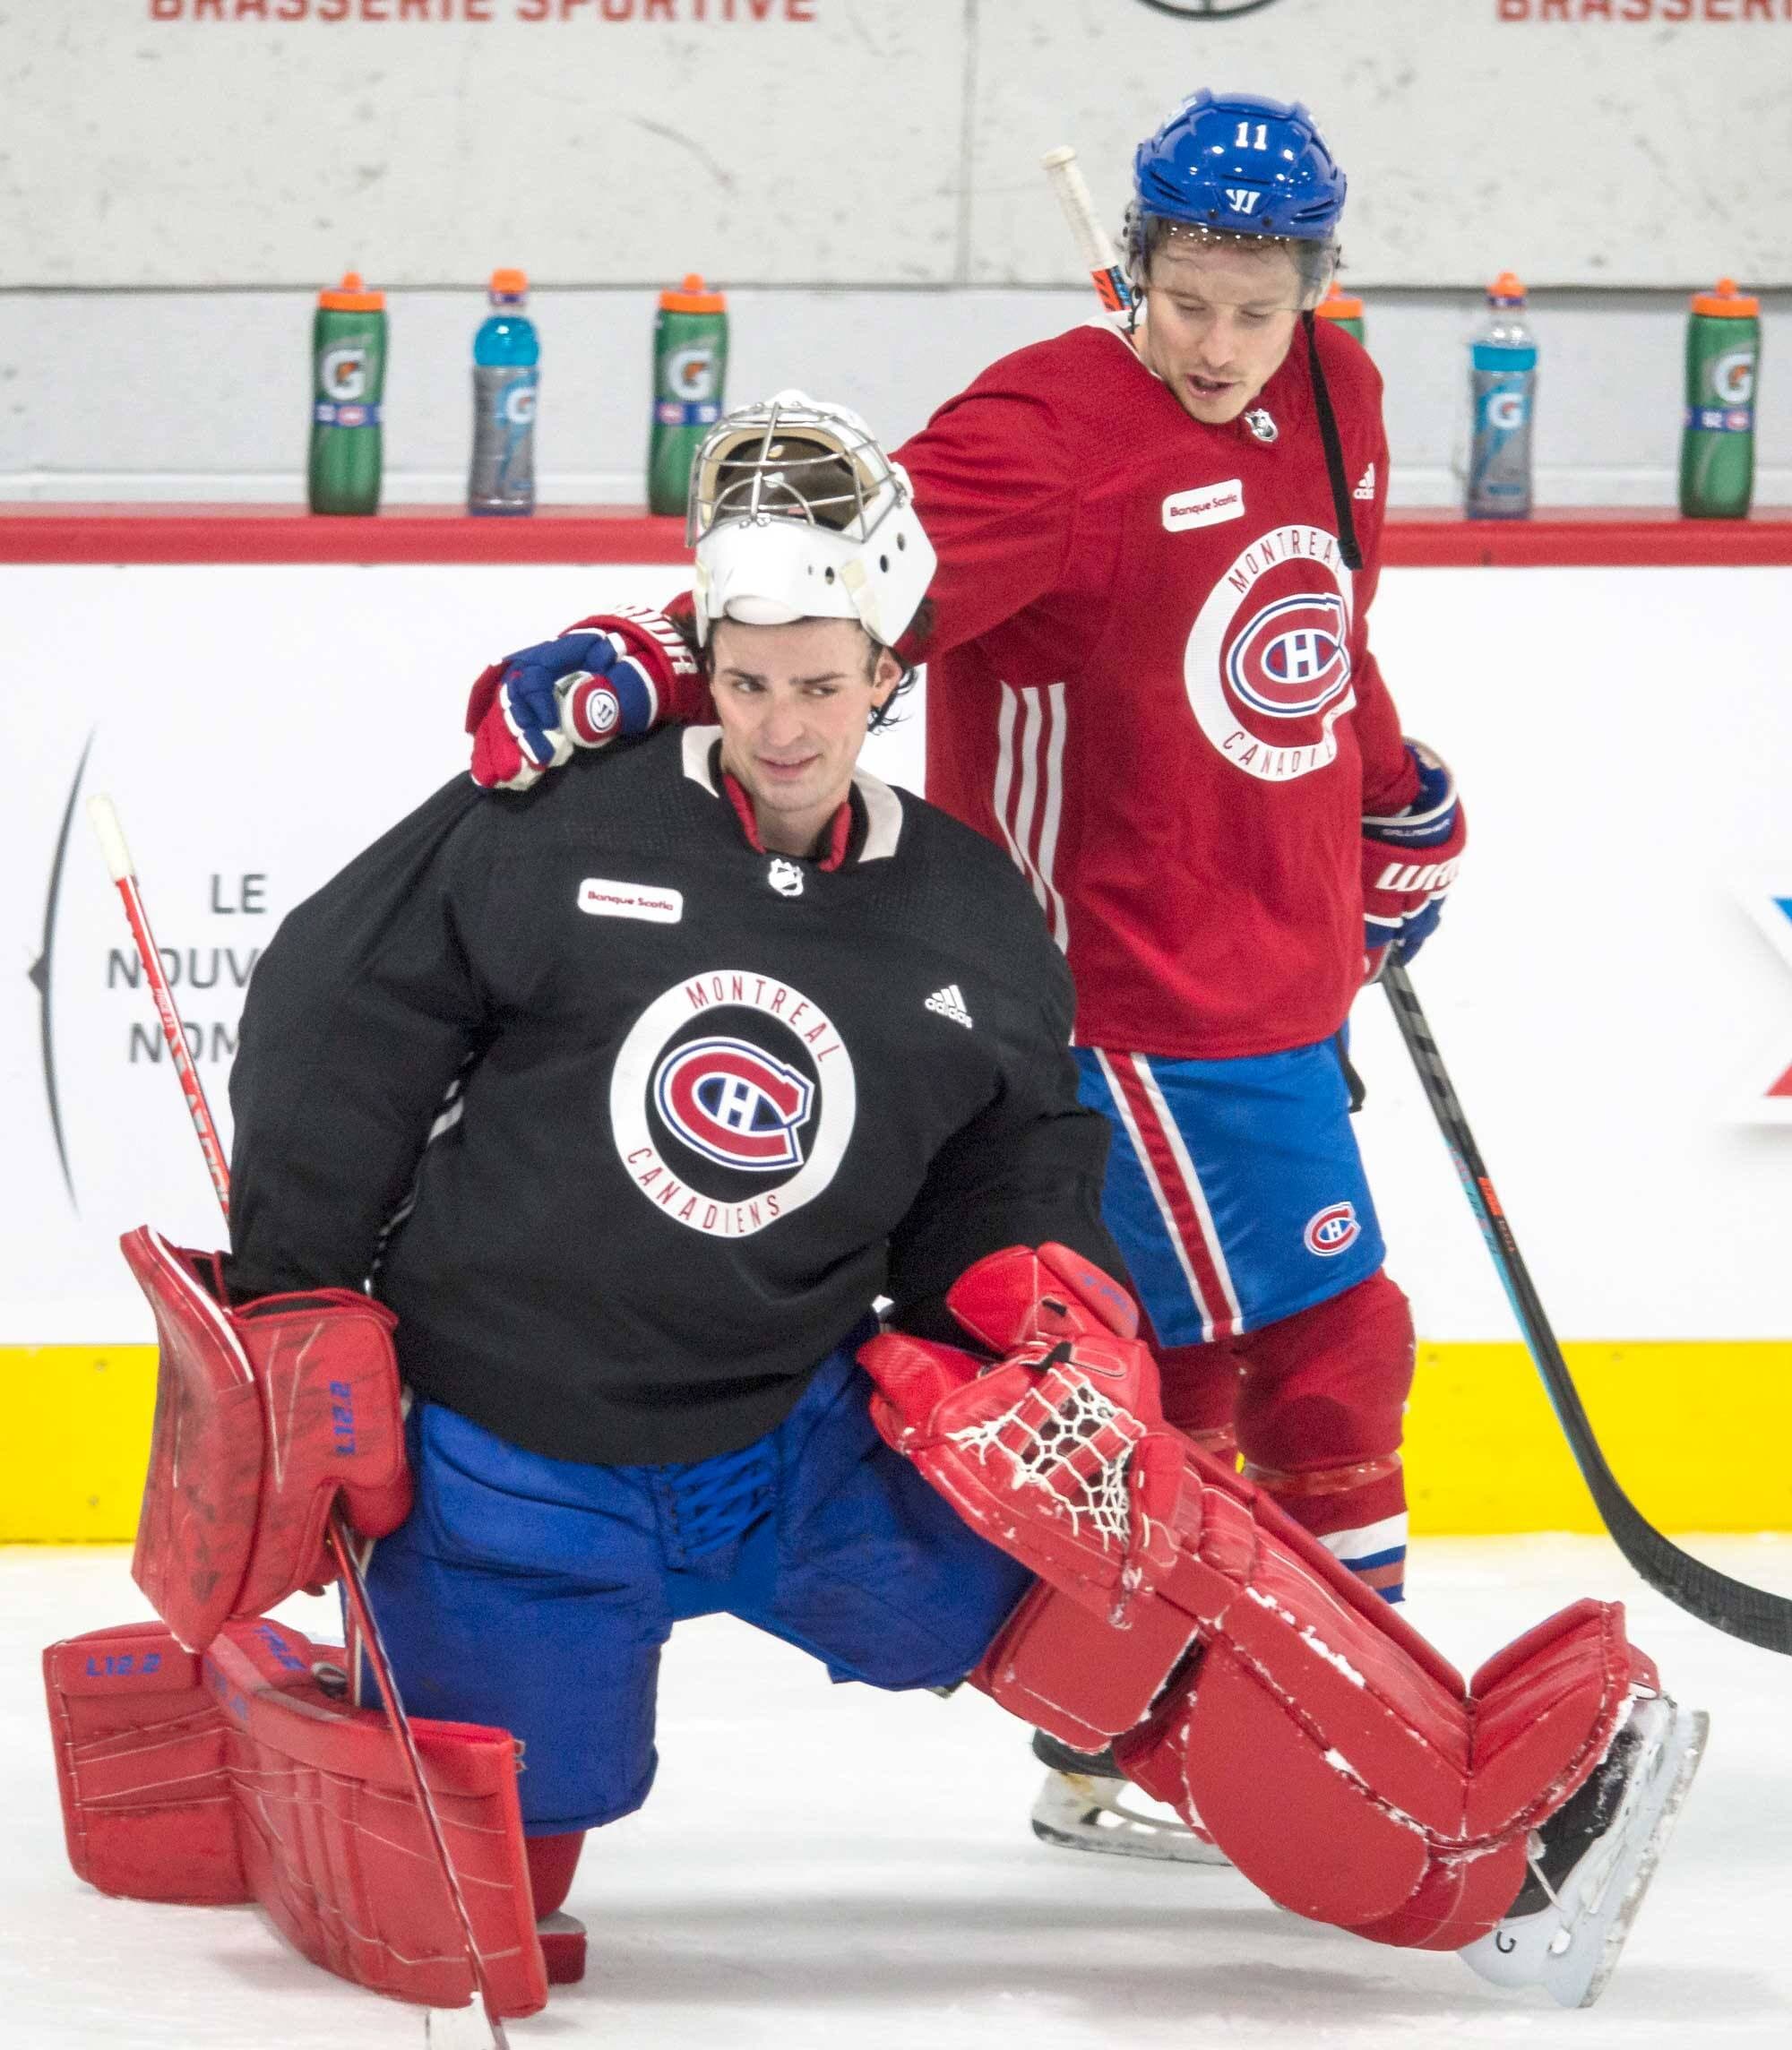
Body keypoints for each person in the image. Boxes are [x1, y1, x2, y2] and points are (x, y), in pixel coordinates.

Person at [66, 399, 1702, 2020]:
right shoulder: (552, 822)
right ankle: (276, 1729)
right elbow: (339, 1011)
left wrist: (1041, 1290)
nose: (786, 727)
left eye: (826, 688)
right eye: (753, 682)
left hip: (793, 1446)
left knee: (1123, 1581)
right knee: (499, 1904)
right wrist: (300, 1294)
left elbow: (1013, 1153)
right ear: (706, 657)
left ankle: (1475, 1844)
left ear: (890, 681)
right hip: (515, 1469)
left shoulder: (970, 910)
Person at [458, 90, 1468, 1860]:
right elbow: (839, 594)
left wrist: (1384, 800)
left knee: (1183, 1382)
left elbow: (1323, 634)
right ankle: (1342, 1748)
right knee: (1330, 1348)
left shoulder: (1340, 396)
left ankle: (1154, 1739)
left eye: (1258, 304)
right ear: (1127, 265)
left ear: (1315, 287)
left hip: (1280, 974)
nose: (1221, 346)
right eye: (1186, 299)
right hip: (1121, 993)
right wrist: (635, 654)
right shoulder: (1050, 430)